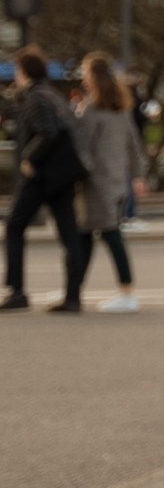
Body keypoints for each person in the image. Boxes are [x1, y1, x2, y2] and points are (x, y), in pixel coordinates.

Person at [2, 46, 86, 314]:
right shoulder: (53, 95)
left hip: (41, 175)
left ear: (24, 71)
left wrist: (29, 158)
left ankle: (17, 292)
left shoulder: (34, 98)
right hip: (62, 174)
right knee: (68, 233)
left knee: (15, 226)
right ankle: (73, 296)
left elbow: (47, 133)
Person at [73, 52, 146, 310]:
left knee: (109, 234)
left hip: (96, 182)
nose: (82, 77)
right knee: (86, 235)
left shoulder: (91, 108)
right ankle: (74, 291)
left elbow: (82, 147)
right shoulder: (120, 106)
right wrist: (137, 175)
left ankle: (126, 292)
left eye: (84, 72)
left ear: (93, 76)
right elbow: (133, 144)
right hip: (116, 179)